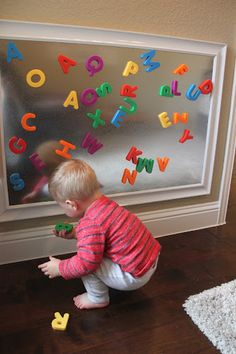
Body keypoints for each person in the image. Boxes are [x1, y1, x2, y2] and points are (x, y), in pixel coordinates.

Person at [38, 159, 161, 310]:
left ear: (72, 204)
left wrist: (60, 267)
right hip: (150, 260)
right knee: (93, 254)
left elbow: (86, 264)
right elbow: (102, 233)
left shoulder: (90, 223)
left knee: (86, 262)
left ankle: (97, 298)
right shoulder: (106, 204)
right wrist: (76, 233)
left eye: (62, 206)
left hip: (135, 275)